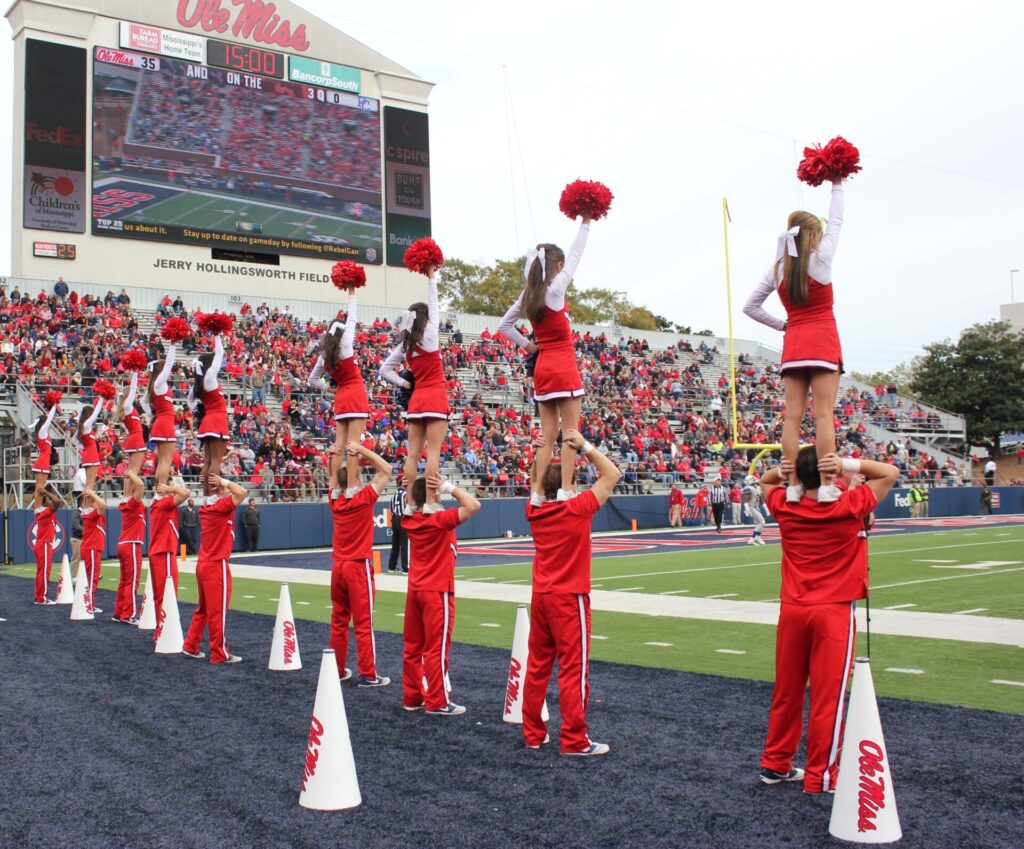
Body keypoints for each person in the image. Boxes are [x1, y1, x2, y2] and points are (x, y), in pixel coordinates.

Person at [757, 447, 898, 795]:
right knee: (827, 698)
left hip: (792, 608)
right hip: (832, 611)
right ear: (829, 473)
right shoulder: (848, 505)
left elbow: (764, 480)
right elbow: (889, 472)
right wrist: (847, 465)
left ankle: (776, 764)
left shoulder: (784, 504)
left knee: (787, 691)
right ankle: (821, 775)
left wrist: (783, 470)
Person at [743, 180, 846, 503]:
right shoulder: (823, 258)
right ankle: (827, 484)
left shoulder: (778, 269)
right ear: (815, 236)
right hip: (823, 339)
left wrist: (782, 325)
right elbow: (838, 220)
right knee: (824, 415)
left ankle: (792, 485)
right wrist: (837, 184)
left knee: (793, 416)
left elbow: (750, 307)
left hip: (795, 343)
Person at [522, 430, 621, 756]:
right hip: (569, 597)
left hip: (541, 595)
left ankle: (534, 733)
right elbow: (612, 474)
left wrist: (540, 455)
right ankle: (575, 739)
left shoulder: (534, 511)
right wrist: (585, 447)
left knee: (537, 667)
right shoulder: (576, 507)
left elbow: (537, 486)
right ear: (570, 483)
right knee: (573, 670)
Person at [497, 214, 593, 499]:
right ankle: (565, 489)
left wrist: (529, 347)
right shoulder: (554, 290)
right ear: (558, 266)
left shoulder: (528, 296)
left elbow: (503, 326)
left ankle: (537, 491)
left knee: (547, 436)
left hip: (542, 369)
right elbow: (577, 253)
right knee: (571, 434)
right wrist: (586, 221)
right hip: (563, 366)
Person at [401, 472, 481, 715]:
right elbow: (474, 505)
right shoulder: (440, 520)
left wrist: (414, 489)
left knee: (413, 648)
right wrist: (448, 487)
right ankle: (437, 701)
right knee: (436, 648)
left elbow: (411, 503)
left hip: (415, 589)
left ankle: (412, 697)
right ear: (432, 495)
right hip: (437, 591)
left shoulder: (409, 520)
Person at [380, 265, 448, 510]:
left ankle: (409, 503)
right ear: (425, 318)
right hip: (436, 397)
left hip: (417, 400)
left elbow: (384, 370)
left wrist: (405, 382)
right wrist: (431, 276)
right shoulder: (430, 335)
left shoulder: (406, 346)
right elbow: (435, 301)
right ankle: (430, 501)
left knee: (412, 454)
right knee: (433, 453)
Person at [328, 442, 392, 686]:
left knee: (339, 621)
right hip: (357, 565)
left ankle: (337, 669)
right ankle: (368, 673)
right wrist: (361, 451)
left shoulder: (335, 500)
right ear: (355, 480)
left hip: (338, 566)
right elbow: (386, 470)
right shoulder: (363, 498)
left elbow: (333, 479)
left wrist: (335, 456)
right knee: (364, 623)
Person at [310, 287, 369, 494]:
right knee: (354, 446)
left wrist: (330, 389)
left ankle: (333, 485)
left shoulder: (324, 355)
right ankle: (351, 486)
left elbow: (312, 380)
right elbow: (352, 317)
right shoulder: (345, 344)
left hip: (341, 397)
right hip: (355, 393)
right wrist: (352, 292)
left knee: (339, 445)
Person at [182, 475, 247, 664]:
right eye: (226, 490)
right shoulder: (219, 507)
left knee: (203, 608)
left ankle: (190, 644)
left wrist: (215, 481)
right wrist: (223, 482)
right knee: (218, 610)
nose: (230, 491)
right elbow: (241, 492)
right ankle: (219, 652)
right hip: (216, 564)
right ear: (219, 491)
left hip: (204, 563)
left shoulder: (208, 507)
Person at [190, 334, 230, 495]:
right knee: (216, 461)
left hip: (207, 421)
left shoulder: (198, 384)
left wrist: (202, 409)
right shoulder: (209, 379)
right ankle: (214, 496)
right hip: (217, 421)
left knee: (207, 460)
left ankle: (208, 496)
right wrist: (217, 334)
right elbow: (220, 353)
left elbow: (189, 402)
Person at [149, 480, 190, 636]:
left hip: (160, 551)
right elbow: (185, 493)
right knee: (168, 593)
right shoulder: (164, 503)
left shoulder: (158, 503)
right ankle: (165, 629)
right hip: (164, 551)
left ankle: (161, 628)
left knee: (161, 595)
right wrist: (169, 488)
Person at [113, 471, 146, 624]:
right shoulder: (133, 503)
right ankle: (129, 614)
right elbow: (140, 485)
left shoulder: (126, 503)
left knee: (124, 581)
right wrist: (131, 473)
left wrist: (129, 477)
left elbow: (134, 487)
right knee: (132, 581)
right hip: (131, 544)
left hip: (124, 544)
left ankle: (119, 612)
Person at [148, 346, 178, 487]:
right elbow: (169, 364)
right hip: (165, 424)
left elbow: (143, 403)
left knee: (162, 461)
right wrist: (172, 345)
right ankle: (161, 489)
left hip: (161, 422)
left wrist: (153, 414)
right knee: (166, 460)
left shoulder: (155, 385)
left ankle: (157, 489)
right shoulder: (159, 383)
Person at [32, 486, 62, 605]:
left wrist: (46, 494)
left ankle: (39, 596)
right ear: (45, 502)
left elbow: (56, 502)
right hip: (44, 544)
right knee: (44, 572)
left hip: (43, 544)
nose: (51, 501)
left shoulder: (43, 511)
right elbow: (57, 502)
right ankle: (41, 598)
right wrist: (46, 493)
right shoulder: (44, 512)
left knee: (41, 572)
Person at [80, 489, 108, 615]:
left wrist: (91, 495)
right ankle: (89, 604)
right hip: (92, 548)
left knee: (92, 577)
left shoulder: (93, 515)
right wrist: (92, 494)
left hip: (93, 548)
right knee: (92, 578)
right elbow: (103, 505)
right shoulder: (91, 515)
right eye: (95, 502)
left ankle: (88, 602)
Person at [118, 371, 148, 476]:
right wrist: (135, 373)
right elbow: (134, 388)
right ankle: (132, 492)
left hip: (133, 437)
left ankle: (128, 492)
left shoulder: (126, 408)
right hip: (136, 438)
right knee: (134, 471)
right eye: (134, 394)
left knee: (131, 470)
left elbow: (126, 428)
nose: (136, 395)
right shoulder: (127, 406)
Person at [31, 401, 58, 496]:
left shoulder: (41, 433)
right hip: (42, 462)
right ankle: (38, 509)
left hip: (44, 461)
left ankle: (38, 507)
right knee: (40, 488)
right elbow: (49, 419)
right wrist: (54, 405)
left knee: (39, 487)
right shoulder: (42, 432)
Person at [76, 402, 104, 493]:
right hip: (91, 456)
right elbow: (96, 412)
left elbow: (74, 440)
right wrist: (102, 398)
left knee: (89, 484)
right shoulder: (86, 425)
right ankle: (87, 506)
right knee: (90, 485)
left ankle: (86, 505)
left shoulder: (84, 427)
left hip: (89, 455)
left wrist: (83, 447)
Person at [388, 473, 408, 574]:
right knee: (404, 544)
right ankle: (406, 568)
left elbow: (391, 509)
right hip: (402, 518)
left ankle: (391, 567)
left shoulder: (393, 495)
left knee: (395, 544)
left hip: (395, 518)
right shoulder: (405, 494)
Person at [743, 474, 766, 546]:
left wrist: (764, 506)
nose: (755, 479)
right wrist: (746, 507)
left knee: (760, 523)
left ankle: (758, 537)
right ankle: (752, 539)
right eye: (753, 479)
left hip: (756, 507)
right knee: (762, 522)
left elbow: (760, 497)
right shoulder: (748, 488)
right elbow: (746, 499)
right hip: (752, 507)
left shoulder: (757, 487)